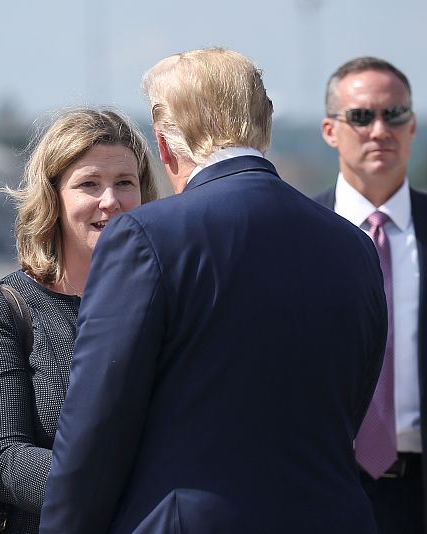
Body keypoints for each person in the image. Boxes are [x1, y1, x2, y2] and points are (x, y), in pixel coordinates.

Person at [40, 48, 388, 534]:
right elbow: (353, 405)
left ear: (164, 146)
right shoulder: (354, 245)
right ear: (264, 126)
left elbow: (96, 429)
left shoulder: (145, 237)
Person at [0, 108, 159, 533]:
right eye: (89, 184)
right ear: (53, 198)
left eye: (125, 183)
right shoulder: (0, 313)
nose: (111, 201)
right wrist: (118, 485)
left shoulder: (166, 305)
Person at [315, 56, 424, 534]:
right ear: (329, 131)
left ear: (412, 125)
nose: (380, 129)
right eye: (361, 116)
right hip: (325, 480)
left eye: (394, 114)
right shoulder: (297, 235)